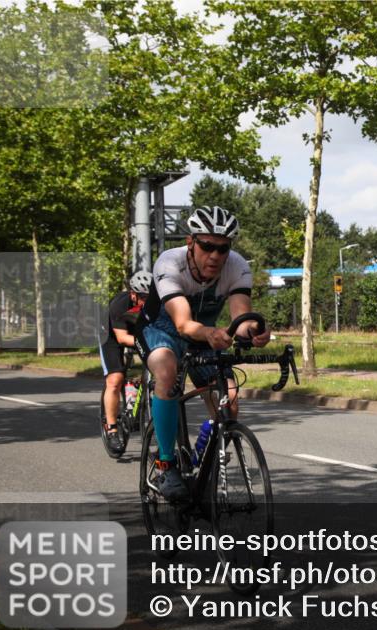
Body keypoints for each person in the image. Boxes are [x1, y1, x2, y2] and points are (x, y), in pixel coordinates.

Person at [141, 206, 270, 500]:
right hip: (161, 329)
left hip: (204, 334)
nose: (215, 255)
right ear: (191, 242)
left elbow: (241, 318)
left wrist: (254, 330)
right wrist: (211, 334)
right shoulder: (170, 263)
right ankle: (166, 464)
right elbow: (183, 323)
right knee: (166, 371)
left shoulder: (236, 266)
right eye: (207, 246)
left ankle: (201, 461)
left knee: (231, 402)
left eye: (222, 248)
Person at [100, 270, 153, 453]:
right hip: (111, 335)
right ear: (133, 294)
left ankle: (137, 400)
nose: (147, 301)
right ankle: (112, 428)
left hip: (137, 330)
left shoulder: (157, 303)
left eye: (151, 296)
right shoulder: (119, 304)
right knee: (115, 379)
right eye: (143, 297)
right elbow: (122, 338)